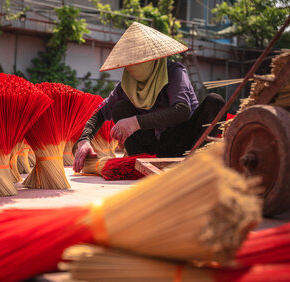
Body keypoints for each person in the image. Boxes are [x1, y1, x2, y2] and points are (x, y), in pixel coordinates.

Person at [73, 22, 225, 172]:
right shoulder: (127, 84)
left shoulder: (174, 72)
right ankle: (139, 163)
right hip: (152, 149)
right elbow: (100, 113)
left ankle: (198, 164)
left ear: (154, 58)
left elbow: (182, 110)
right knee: (121, 108)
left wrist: (135, 123)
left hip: (184, 142)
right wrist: (84, 140)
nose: (134, 67)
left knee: (215, 102)